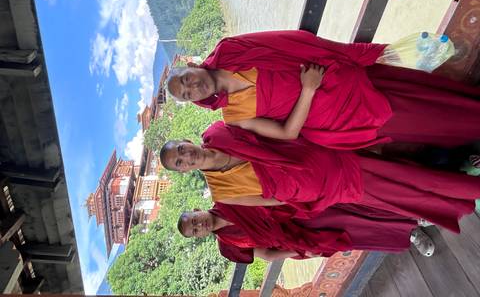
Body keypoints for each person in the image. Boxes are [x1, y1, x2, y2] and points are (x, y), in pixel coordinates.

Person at [166, 30, 480, 151]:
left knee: (430, 99)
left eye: (186, 79)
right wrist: (308, 90)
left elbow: (296, 42)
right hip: (338, 118)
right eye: (186, 93)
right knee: (426, 124)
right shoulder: (233, 115)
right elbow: (288, 133)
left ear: (193, 65)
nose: (192, 87)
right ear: (192, 102)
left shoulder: (232, 49)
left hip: (345, 78)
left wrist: (363, 52)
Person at [161, 121, 480, 234]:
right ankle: (463, 189)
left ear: (185, 141)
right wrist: (310, 192)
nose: (186, 157)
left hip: (317, 153)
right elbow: (269, 200)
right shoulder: (222, 192)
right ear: (184, 171)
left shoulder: (218, 131)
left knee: (397, 166)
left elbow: (273, 132)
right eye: (180, 163)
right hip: (317, 185)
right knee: (393, 192)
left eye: (180, 149)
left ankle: (460, 175)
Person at [177, 203, 435, 260]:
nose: (200, 226)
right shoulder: (228, 245)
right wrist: (301, 250)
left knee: (356, 214)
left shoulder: (227, 199)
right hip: (301, 240)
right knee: (356, 237)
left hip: (299, 212)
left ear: (198, 209)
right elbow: (266, 254)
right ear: (198, 237)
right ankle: (409, 235)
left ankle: (413, 217)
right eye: (195, 230)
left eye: (195, 220)